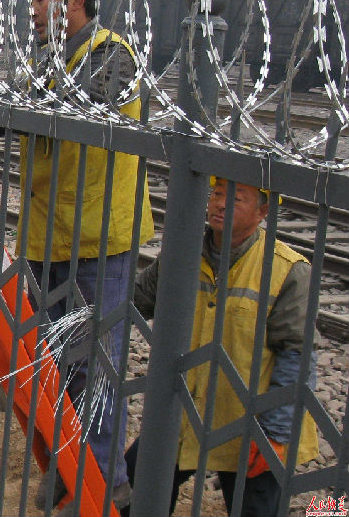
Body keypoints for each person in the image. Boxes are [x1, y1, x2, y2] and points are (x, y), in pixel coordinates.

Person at [22, 0, 155, 514]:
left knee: (97, 368)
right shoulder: (50, 56)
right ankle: (74, 468)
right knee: (63, 365)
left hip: (100, 241)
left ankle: (104, 483)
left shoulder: (112, 54)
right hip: (50, 235)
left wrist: (25, 93)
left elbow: (75, 110)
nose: (33, 9)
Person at [125, 178, 318, 516]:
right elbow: (136, 304)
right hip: (183, 413)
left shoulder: (288, 270)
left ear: (263, 211)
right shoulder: (181, 254)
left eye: (236, 199)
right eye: (216, 194)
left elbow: (297, 357)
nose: (220, 204)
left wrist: (276, 433)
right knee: (133, 493)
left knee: (256, 508)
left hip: (249, 425)